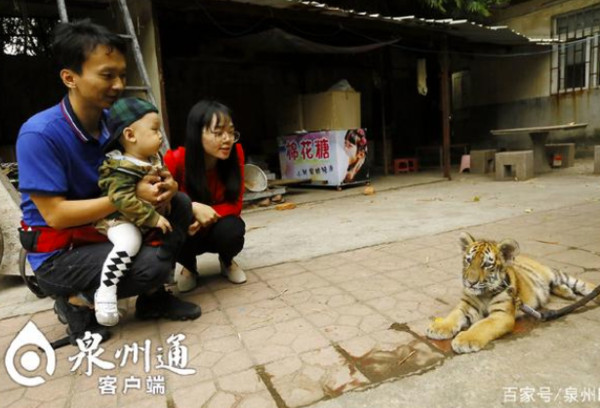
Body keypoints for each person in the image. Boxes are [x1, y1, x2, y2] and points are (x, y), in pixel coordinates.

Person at [16, 20, 201, 345]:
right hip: (61, 252)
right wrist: (130, 196)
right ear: (69, 78)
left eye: (122, 75)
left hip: (105, 227)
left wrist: (166, 187)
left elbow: (142, 170)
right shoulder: (40, 134)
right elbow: (55, 215)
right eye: (106, 75)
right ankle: (74, 301)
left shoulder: (114, 125)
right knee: (150, 266)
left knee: (181, 205)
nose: (118, 85)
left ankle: (153, 300)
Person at [94, 97, 193, 326]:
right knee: (129, 242)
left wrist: (168, 193)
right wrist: (153, 216)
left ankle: (156, 288)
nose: (161, 135)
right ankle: (106, 291)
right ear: (130, 135)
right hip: (119, 220)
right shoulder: (121, 166)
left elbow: (164, 179)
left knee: (176, 216)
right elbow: (120, 199)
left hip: (146, 216)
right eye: (155, 130)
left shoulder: (152, 158)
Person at [164, 100, 246, 291]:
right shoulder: (175, 160)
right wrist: (191, 209)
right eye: (218, 133)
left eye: (231, 132)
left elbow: (235, 204)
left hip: (218, 224)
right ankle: (189, 267)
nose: (227, 139)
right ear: (196, 134)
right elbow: (162, 198)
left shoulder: (236, 154)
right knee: (173, 230)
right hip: (188, 227)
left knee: (233, 229)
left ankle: (226, 261)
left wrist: (206, 217)